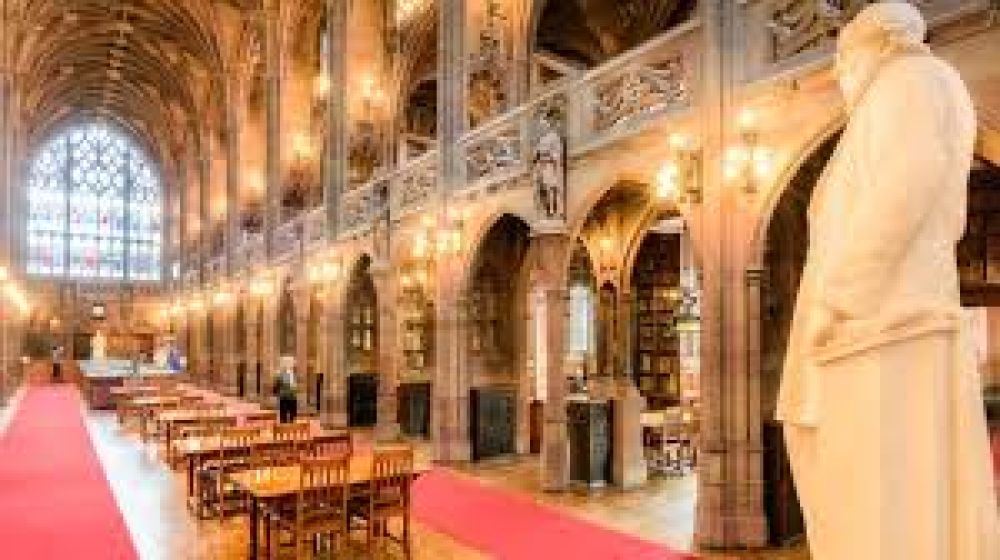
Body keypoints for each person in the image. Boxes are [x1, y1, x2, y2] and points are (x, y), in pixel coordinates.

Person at [778, 3, 999, 559]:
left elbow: (906, 186)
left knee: (872, 500)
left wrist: (840, 299)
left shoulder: (909, 81)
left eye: (843, 60)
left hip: (874, 329)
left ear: (870, 47)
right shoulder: (904, 91)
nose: (841, 76)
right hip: (875, 327)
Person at [274, 356, 298, 424]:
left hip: (293, 398)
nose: (293, 364)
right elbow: (276, 387)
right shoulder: (280, 375)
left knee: (293, 416)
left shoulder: (294, 374)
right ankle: (283, 430)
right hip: (284, 398)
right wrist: (280, 394)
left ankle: (291, 429)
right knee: (283, 417)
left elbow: (296, 385)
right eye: (292, 362)